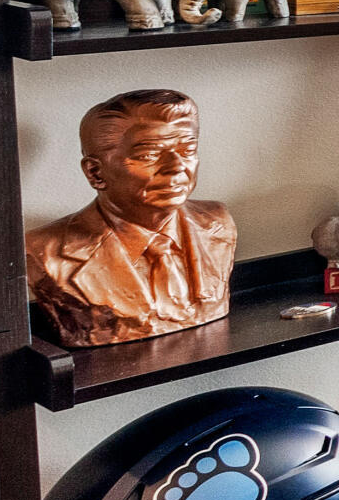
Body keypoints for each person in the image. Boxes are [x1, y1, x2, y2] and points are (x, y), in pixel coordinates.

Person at [24, 88, 237, 346]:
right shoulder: (42, 251)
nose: (176, 167)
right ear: (96, 173)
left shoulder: (218, 223)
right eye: (148, 155)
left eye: (187, 150)